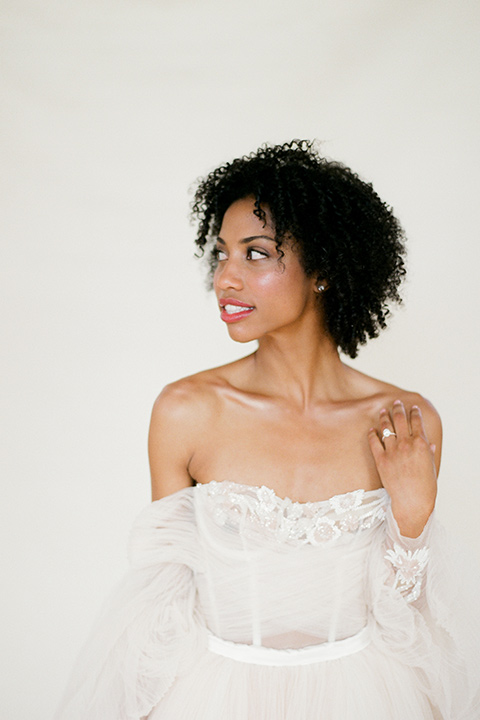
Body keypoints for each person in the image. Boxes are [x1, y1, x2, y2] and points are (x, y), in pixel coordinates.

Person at [55, 141, 480, 719]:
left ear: (325, 269)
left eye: (255, 254)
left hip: (365, 699)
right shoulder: (187, 410)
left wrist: (411, 523)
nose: (225, 278)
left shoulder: (405, 421)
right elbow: (161, 604)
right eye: (221, 254)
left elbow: (412, 622)